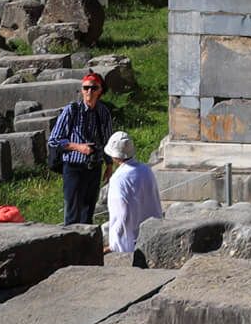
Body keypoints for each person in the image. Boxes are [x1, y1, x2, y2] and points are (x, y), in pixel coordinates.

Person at [48, 71, 115, 227]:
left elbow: (107, 140)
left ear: (100, 91)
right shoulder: (71, 110)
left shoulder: (103, 112)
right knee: (72, 212)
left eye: (93, 88)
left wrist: (109, 164)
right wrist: (78, 147)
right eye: (85, 88)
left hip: (94, 167)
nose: (89, 92)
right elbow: (54, 140)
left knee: (88, 212)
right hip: (73, 167)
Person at [103, 131, 164, 254]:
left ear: (114, 156)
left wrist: (115, 244)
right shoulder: (145, 169)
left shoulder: (118, 179)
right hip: (152, 232)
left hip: (130, 241)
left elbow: (120, 215)